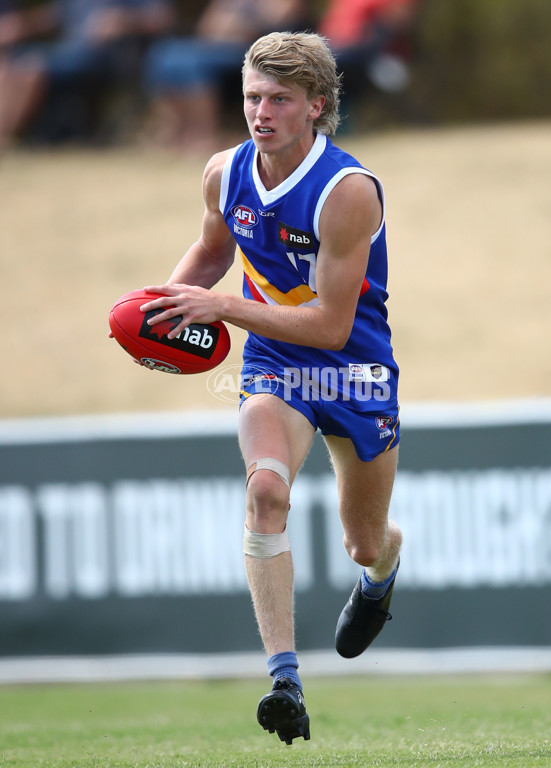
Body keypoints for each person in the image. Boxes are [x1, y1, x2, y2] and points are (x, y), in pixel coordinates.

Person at [138, 31, 402, 745]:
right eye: (253, 97)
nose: (261, 112)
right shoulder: (224, 174)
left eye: (280, 99)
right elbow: (214, 250)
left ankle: (383, 573)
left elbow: (329, 323)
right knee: (265, 492)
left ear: (316, 105)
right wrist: (163, 304)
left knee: (362, 541)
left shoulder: (348, 192)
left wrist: (221, 306)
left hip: (352, 368)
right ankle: (285, 679)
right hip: (274, 366)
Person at [0, 0, 174, 146]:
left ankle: (6, 137)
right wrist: (20, 24)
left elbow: (163, 17)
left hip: (108, 57)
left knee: (32, 68)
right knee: (11, 64)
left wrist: (124, 19)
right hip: (66, 52)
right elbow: (54, 16)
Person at [143, 0, 309, 152]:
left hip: (258, 52)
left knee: (192, 65)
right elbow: (208, 27)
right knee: (165, 54)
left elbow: (278, 19)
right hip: (219, 46)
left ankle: (203, 135)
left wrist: (240, 22)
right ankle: (177, 130)